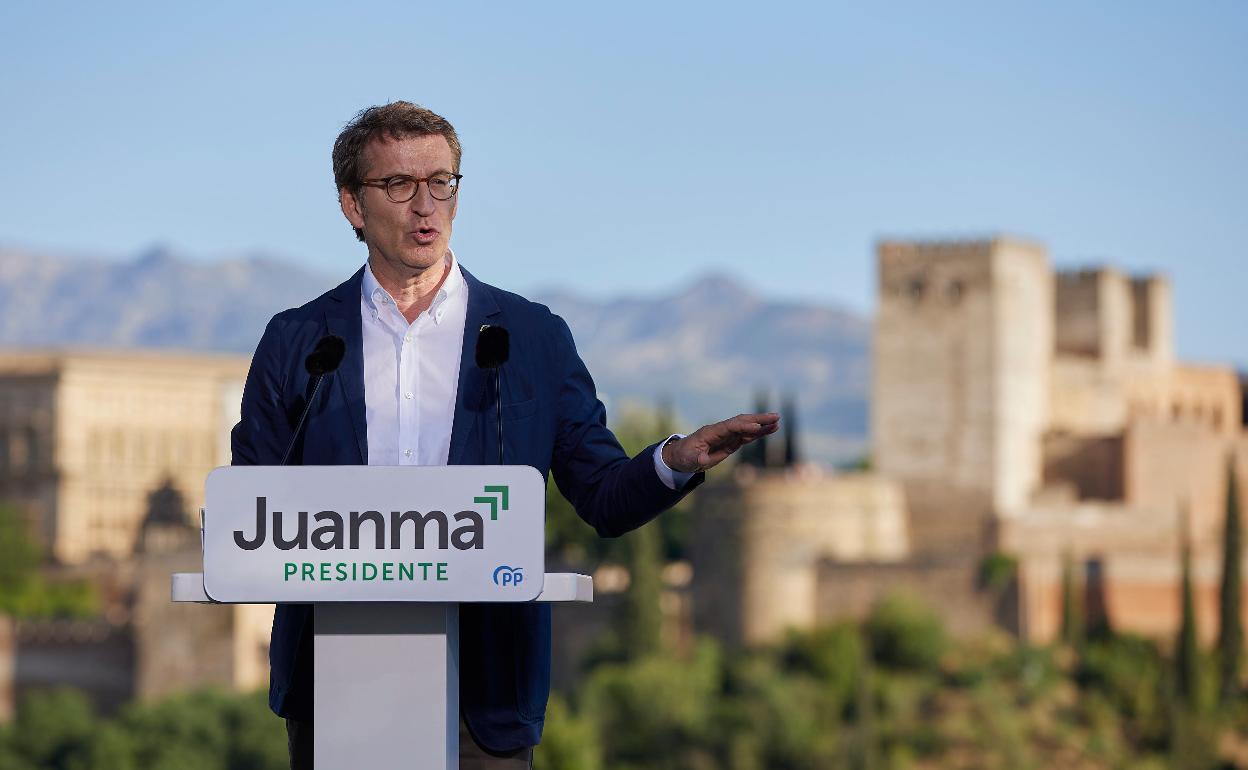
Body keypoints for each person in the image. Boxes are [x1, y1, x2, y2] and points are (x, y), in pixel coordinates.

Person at [230, 101, 780, 769]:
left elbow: (601, 495)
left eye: (442, 182)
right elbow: (253, 505)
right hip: (334, 689)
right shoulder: (299, 343)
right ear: (353, 204)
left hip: (484, 694)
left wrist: (676, 459)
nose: (425, 204)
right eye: (399, 185)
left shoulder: (530, 338)